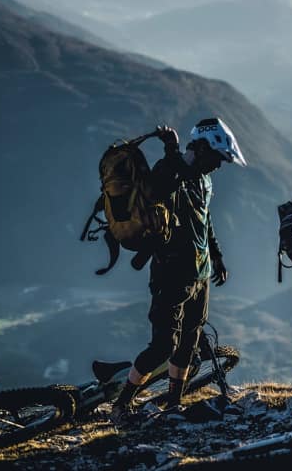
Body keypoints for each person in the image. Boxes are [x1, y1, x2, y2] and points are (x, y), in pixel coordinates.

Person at [110, 117, 246, 419]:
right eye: (217, 158)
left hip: (199, 272)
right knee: (162, 346)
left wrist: (218, 256)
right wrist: (172, 150)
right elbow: (162, 187)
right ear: (200, 148)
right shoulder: (168, 170)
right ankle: (121, 404)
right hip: (170, 273)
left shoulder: (204, 179)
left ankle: (173, 401)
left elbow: (204, 219)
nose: (219, 165)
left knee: (190, 339)